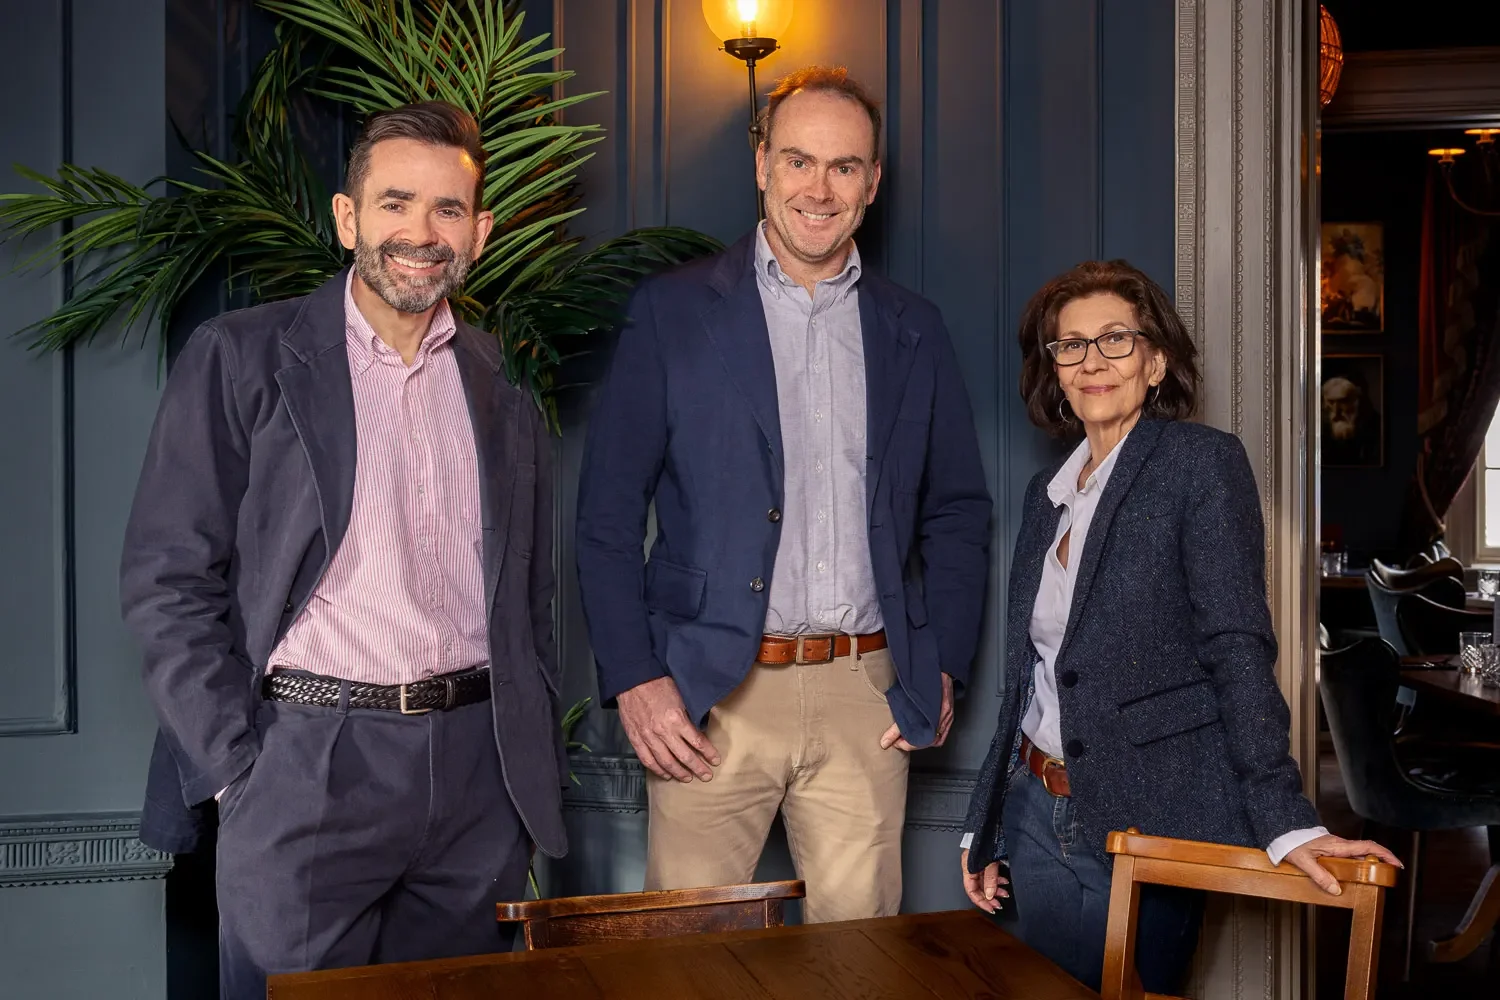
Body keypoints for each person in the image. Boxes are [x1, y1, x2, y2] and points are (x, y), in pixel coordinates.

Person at [121, 101, 567, 999]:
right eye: (395, 202)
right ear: (347, 217)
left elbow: (527, 595)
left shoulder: (500, 381)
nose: (420, 232)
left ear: (478, 232)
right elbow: (166, 579)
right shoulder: (242, 357)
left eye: (448, 210)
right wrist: (241, 769)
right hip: (306, 762)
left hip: (477, 775)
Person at [575, 66, 991, 923]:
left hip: (864, 693)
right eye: (799, 160)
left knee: (858, 970)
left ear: (873, 184)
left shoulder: (915, 329)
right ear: (761, 163)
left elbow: (957, 511)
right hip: (710, 694)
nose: (819, 187)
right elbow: (608, 515)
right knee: (689, 967)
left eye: (845, 167)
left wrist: (939, 664)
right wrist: (635, 679)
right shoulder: (672, 312)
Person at [958, 260, 1400, 993]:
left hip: (1149, 818)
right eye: (1071, 345)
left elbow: (1237, 645)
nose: (1092, 362)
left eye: (1115, 340)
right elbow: (1029, 677)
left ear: (1156, 360)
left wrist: (1288, 819)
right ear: (1054, 369)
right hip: (1038, 815)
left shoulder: (1200, 465)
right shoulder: (1048, 495)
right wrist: (988, 821)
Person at [1321, 373, 1381, 466]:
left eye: (1343, 401)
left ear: (1358, 401)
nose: (1336, 410)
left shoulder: (1377, 427)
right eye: (1331, 402)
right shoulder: (1318, 431)